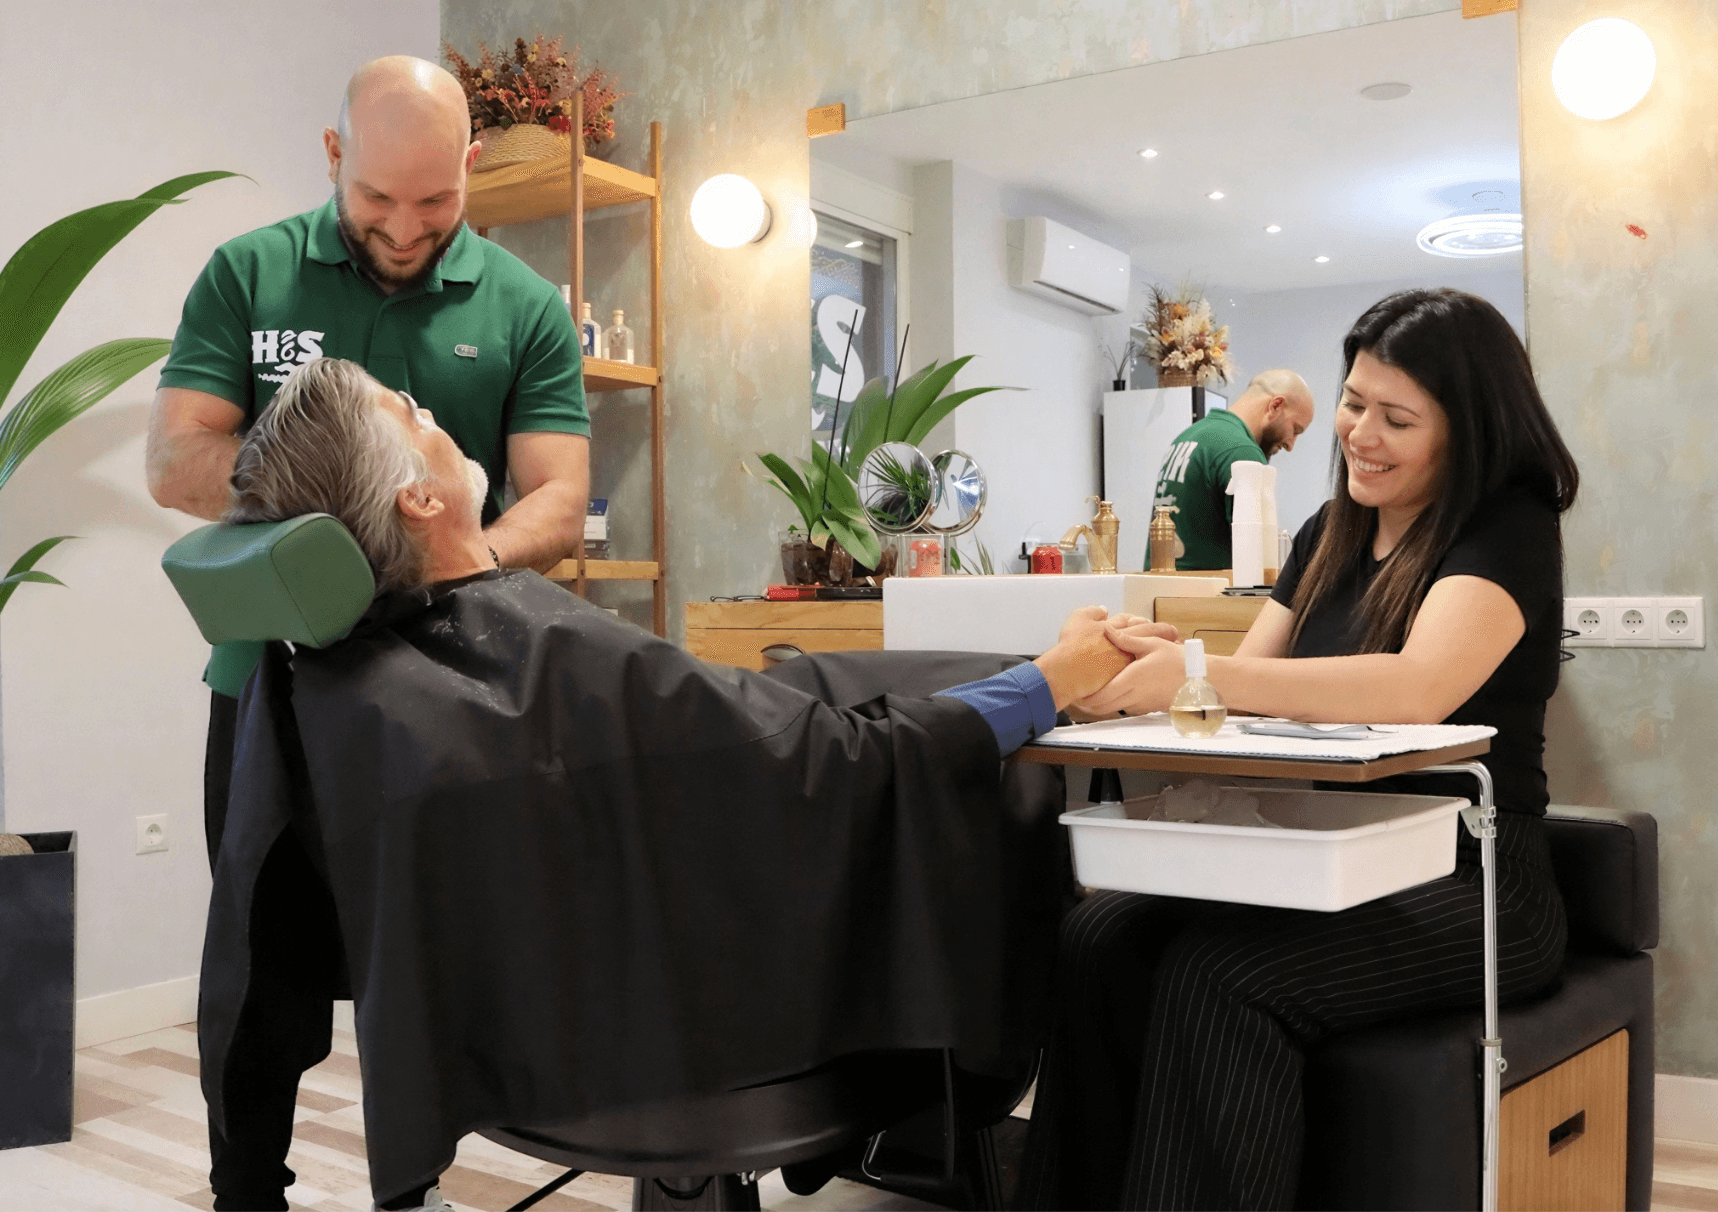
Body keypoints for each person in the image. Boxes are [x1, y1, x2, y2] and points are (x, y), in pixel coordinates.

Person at [196, 356, 1139, 1211]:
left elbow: (251, 944)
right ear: (418, 498)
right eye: (411, 411)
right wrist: (1048, 683)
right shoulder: (551, 657)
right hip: (698, 1041)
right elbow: (852, 764)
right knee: (991, 781)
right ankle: (957, 1110)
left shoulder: (338, 685)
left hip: (540, 1046)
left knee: (825, 683)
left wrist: (1029, 672)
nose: (432, 412)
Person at [1018, 289, 1580, 1210]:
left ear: (1468, 429)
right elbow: (1232, 696)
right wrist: (1132, 676)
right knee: (1097, 938)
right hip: (1321, 858)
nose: (1360, 433)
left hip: (1474, 880)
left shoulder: (1506, 527)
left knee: (1218, 974)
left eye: (1397, 418)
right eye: (1354, 402)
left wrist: (1203, 673)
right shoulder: (1328, 533)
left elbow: (1417, 688)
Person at [142, 56, 589, 1211]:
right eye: (379, 197)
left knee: (425, 957)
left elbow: (557, 496)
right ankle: (246, 1190)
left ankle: (411, 1187)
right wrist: (348, 493)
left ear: (471, 167)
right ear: (334, 154)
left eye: (435, 201)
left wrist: (453, 560)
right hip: (272, 688)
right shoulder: (248, 273)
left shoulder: (524, 306)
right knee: (264, 965)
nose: (403, 227)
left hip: (444, 690)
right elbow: (174, 460)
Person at [1151, 368, 1314, 570]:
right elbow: (1258, 563)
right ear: (1275, 406)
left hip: (1161, 586)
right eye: (1295, 429)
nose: (1291, 445)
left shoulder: (1187, 437)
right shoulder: (1242, 452)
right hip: (1205, 589)